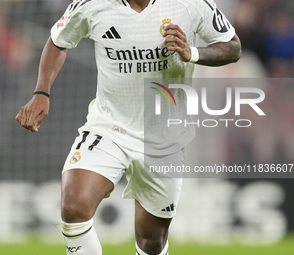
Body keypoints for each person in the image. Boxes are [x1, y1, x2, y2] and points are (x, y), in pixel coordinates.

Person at [15, 0, 241, 254]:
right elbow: (58, 40)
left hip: (164, 138)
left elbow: (233, 47)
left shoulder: (190, 3)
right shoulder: (92, 5)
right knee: (74, 207)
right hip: (109, 127)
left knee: (151, 241)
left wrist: (193, 53)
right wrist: (41, 92)